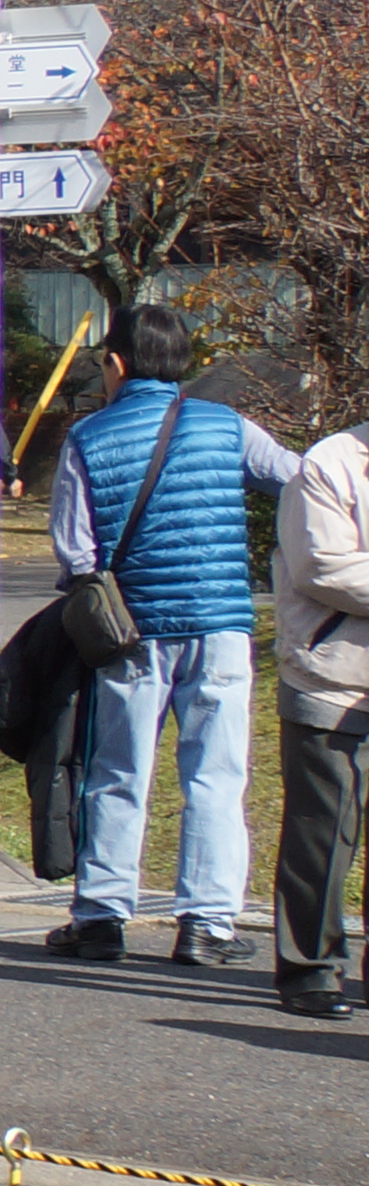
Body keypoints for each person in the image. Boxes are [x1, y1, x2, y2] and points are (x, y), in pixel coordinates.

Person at [43, 306, 299, 966]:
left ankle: (101, 916)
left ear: (119, 364)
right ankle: (207, 924)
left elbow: (75, 552)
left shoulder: (88, 437)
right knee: (217, 774)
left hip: (132, 630)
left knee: (119, 770)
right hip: (220, 623)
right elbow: (298, 479)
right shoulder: (227, 424)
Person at [273, 405, 369, 1020]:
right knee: (323, 832)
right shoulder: (331, 464)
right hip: (333, 674)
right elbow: (324, 567)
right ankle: (310, 965)